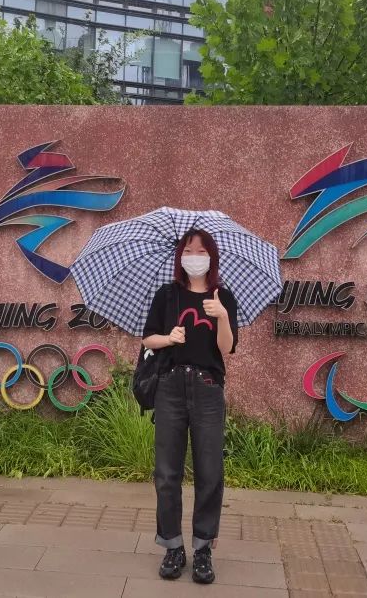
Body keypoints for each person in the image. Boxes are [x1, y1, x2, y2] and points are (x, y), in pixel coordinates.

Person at [142, 228, 239, 585]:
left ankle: (202, 549)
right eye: (188, 250)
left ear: (211, 257)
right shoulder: (167, 295)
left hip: (208, 389)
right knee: (167, 472)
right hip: (170, 387)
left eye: (201, 251)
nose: (194, 257)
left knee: (210, 471)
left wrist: (222, 316)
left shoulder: (222, 296)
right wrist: (168, 338)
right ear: (179, 256)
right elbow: (147, 338)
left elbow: (227, 349)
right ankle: (172, 547)